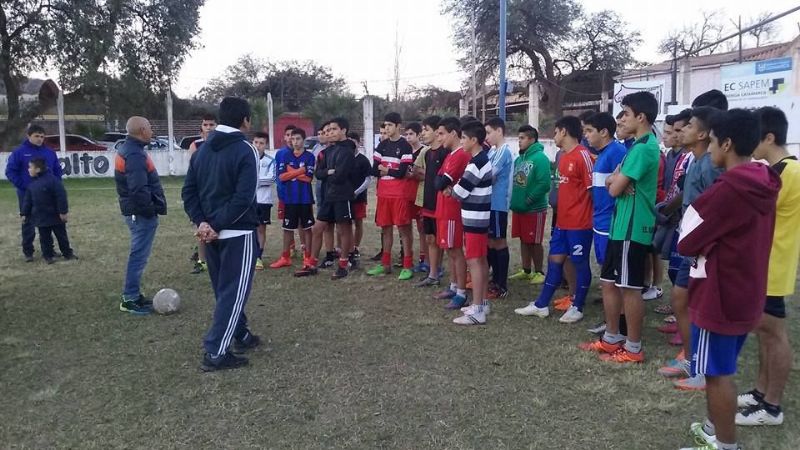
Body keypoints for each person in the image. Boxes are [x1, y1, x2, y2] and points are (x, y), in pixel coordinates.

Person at [676, 108, 780, 450]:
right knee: (723, 366)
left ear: (727, 143)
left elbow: (688, 239)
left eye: (715, 141)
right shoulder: (762, 181)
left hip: (719, 295)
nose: (712, 148)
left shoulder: (729, 189)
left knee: (717, 374)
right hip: (746, 291)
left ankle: (724, 444)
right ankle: (714, 427)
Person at [578, 91, 660, 362]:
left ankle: (633, 347)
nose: (621, 119)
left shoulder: (646, 147)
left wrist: (616, 182)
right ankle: (612, 338)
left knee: (630, 287)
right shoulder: (634, 147)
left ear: (641, 117)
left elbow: (613, 189)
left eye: (625, 113)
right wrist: (617, 181)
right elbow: (612, 182)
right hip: (620, 226)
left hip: (632, 229)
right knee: (609, 282)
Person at [182, 97, 262, 372]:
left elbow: (188, 192)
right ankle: (216, 351)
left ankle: (240, 334)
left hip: (210, 234)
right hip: (236, 232)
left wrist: (202, 222)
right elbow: (244, 198)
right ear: (245, 121)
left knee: (224, 291)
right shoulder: (246, 150)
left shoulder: (201, 151)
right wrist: (213, 224)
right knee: (233, 292)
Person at [736, 107, 800, 427]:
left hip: (774, 266)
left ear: (769, 137)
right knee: (763, 332)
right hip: (764, 264)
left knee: (774, 334)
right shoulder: (777, 170)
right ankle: (761, 393)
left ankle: (772, 407)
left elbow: (755, 211)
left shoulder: (789, 173)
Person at [515, 116, 593, 324]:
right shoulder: (563, 156)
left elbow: (594, 191)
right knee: (555, 260)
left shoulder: (583, 156)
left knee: (579, 263)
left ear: (564, 131)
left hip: (580, 224)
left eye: (556, 132)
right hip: (562, 222)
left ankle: (578, 306)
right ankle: (541, 305)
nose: (554, 136)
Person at [670, 105, 726, 390]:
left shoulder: (711, 166)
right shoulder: (693, 160)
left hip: (702, 248)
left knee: (696, 304)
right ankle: (692, 359)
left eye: (689, 126)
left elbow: (715, 209)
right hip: (688, 242)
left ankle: (702, 370)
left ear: (703, 134)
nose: (683, 131)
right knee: (680, 298)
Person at [114, 116, 167, 315]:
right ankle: (129, 298)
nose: (152, 131)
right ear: (142, 130)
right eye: (150, 128)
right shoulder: (135, 154)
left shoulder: (130, 150)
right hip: (140, 214)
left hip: (136, 212)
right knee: (138, 255)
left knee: (139, 254)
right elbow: (138, 189)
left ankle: (134, 295)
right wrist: (150, 210)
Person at [295, 117, 357, 280]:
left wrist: (329, 173)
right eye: (328, 130)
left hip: (343, 196)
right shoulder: (327, 152)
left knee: (344, 230)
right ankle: (312, 264)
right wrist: (329, 172)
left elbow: (340, 176)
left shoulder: (347, 151)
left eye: (334, 129)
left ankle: (343, 264)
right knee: (317, 228)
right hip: (329, 196)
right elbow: (319, 174)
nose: (330, 133)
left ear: (343, 131)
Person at [451, 121, 493, 325]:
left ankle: (477, 310)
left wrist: (451, 188)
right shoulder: (479, 159)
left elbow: (459, 191)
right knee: (481, 260)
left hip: (476, 218)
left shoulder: (477, 162)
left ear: (474, 140)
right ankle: (482, 302)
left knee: (475, 261)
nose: (461, 142)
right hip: (477, 217)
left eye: (464, 139)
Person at [367, 112, 415, 280]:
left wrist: (386, 169)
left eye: (389, 125)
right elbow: (373, 169)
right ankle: (385, 264)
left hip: (399, 193)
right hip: (384, 193)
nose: (386, 128)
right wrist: (387, 170)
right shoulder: (381, 146)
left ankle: (408, 264)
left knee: (404, 229)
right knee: (385, 228)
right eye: (385, 125)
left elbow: (402, 172)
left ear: (398, 126)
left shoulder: (405, 146)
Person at [5, 124, 63, 262]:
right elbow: (10, 171)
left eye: (42, 136)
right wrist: (24, 186)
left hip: (48, 195)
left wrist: (55, 185)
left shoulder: (49, 152)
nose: (40, 139)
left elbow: (57, 170)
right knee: (28, 221)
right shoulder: (19, 152)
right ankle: (28, 251)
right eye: (36, 136)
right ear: (28, 136)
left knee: (50, 222)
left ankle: (49, 250)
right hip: (26, 194)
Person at [433, 117, 472, 309]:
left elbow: (441, 182)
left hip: (452, 210)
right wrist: (441, 184)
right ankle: (454, 285)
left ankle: (462, 293)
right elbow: (437, 180)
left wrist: (443, 184)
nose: (439, 138)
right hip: (443, 207)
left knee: (456, 250)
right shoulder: (449, 155)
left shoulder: (460, 155)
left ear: (453, 133)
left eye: (441, 133)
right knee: (449, 249)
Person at [583, 112, 627, 271]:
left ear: (603, 132)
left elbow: (625, 185)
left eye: (589, 130)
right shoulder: (602, 154)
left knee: (612, 266)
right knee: (604, 263)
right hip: (600, 218)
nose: (585, 135)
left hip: (611, 221)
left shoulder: (617, 152)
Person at [508, 125, 549, 285]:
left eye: (522, 138)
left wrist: (529, 200)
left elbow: (544, 183)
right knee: (524, 239)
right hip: (519, 208)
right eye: (518, 138)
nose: (519, 141)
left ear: (532, 139)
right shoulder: (519, 159)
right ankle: (526, 270)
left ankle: (539, 271)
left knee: (534, 240)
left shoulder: (540, 158)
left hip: (534, 208)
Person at [270, 128, 315, 269]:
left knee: (307, 228)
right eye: (293, 139)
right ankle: (285, 257)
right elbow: (282, 177)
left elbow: (308, 179)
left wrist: (292, 171)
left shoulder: (310, 157)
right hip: (289, 198)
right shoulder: (285, 156)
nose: (295, 142)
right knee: (287, 228)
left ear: (303, 140)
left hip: (305, 198)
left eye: (298, 139)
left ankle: (307, 257)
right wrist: (301, 170)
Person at [21, 158, 76, 264]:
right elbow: (28, 201)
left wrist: (63, 212)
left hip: (55, 215)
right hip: (41, 217)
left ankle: (67, 253)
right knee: (44, 238)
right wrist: (24, 213)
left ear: (37, 169)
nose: (28, 170)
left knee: (61, 236)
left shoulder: (53, 181)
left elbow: (61, 196)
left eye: (30, 167)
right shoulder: (32, 185)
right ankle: (48, 256)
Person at [415, 115, 447, 288]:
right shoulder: (427, 153)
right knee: (430, 238)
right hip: (427, 202)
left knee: (441, 239)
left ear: (437, 132)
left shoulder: (445, 153)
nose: (423, 133)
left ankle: (440, 272)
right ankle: (433, 274)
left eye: (426, 130)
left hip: (440, 203)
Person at [484, 117, 513, 299]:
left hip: (498, 203)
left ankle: (501, 285)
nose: (487, 137)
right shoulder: (492, 151)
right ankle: (494, 279)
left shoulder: (504, 152)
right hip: (489, 203)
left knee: (498, 241)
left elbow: (489, 174)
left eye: (489, 132)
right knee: (490, 241)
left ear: (499, 131)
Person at [189, 114, 218, 274]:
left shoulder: (221, 146)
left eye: (211, 124)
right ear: (201, 128)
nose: (208, 127)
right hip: (201, 191)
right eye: (205, 125)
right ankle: (202, 260)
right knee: (200, 224)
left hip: (217, 191)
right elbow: (193, 171)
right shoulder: (195, 145)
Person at [404, 122, 429, 273]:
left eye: (411, 134)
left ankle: (423, 257)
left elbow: (424, 173)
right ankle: (406, 256)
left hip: (420, 193)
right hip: (406, 193)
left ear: (419, 134)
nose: (408, 137)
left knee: (422, 228)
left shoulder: (425, 151)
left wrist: (415, 174)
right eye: (406, 134)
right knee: (405, 226)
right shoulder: (404, 151)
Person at [349, 131, 372, 267]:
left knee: (358, 222)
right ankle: (346, 247)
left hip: (358, 197)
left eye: (354, 141)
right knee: (345, 224)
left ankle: (356, 247)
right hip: (344, 197)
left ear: (358, 143)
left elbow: (368, 179)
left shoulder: (363, 160)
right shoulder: (344, 158)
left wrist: (356, 192)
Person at [253, 131, 275, 271]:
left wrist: (253, 182)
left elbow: (271, 179)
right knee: (249, 229)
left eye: (261, 143)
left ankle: (258, 257)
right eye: (256, 142)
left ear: (266, 145)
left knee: (261, 229)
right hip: (249, 201)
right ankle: (250, 255)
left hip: (264, 201)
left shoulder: (270, 161)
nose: (258, 145)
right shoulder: (247, 158)